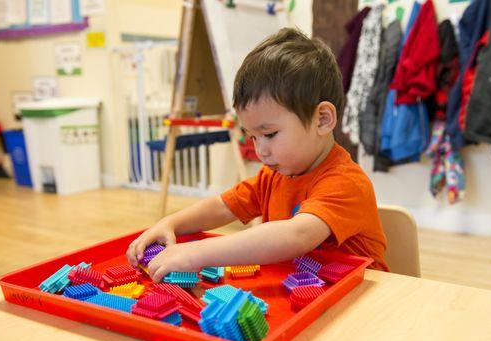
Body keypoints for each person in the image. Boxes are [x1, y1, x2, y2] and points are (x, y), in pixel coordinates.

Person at [126, 28, 388, 282]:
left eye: (270, 134)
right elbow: (222, 206)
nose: (260, 150)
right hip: (309, 300)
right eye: (252, 136)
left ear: (322, 119)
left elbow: (296, 235)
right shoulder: (272, 176)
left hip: (363, 304)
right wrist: (170, 223)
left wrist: (196, 253)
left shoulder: (346, 183)